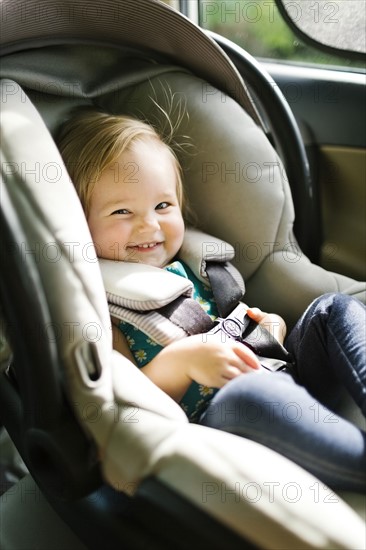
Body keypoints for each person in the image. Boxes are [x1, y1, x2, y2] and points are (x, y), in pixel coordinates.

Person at [57, 107, 366, 492]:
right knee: (249, 395)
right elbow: (122, 401)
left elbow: (233, 321)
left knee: (331, 309)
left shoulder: (191, 268)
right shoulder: (102, 305)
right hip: (216, 424)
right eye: (122, 211)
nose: (150, 225)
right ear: (76, 222)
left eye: (163, 206)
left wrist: (267, 329)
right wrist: (184, 363)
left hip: (280, 378)